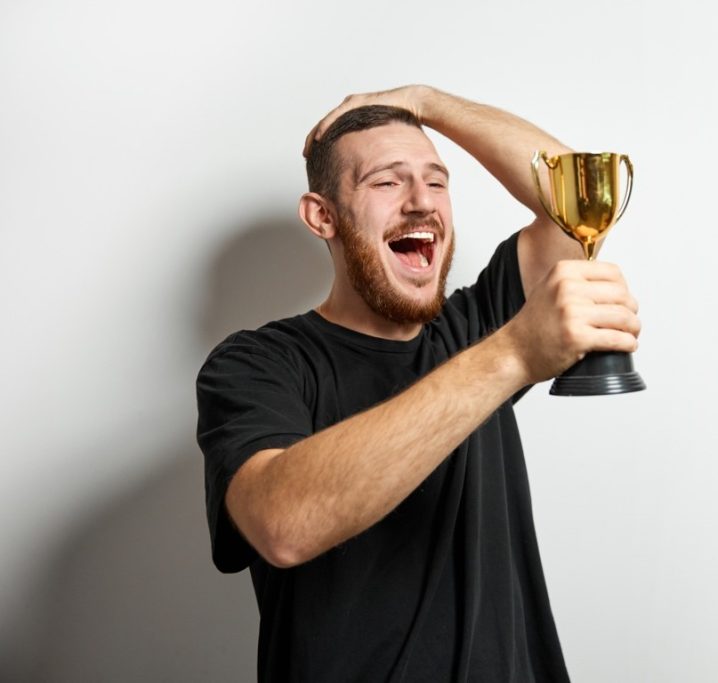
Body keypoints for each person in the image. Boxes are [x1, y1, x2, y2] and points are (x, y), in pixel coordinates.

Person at [196, 85, 640, 682]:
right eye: (386, 182)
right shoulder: (259, 363)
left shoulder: (472, 327)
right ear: (321, 215)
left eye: (436, 181)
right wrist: (511, 355)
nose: (420, 202)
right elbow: (282, 525)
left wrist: (427, 102)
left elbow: (578, 196)